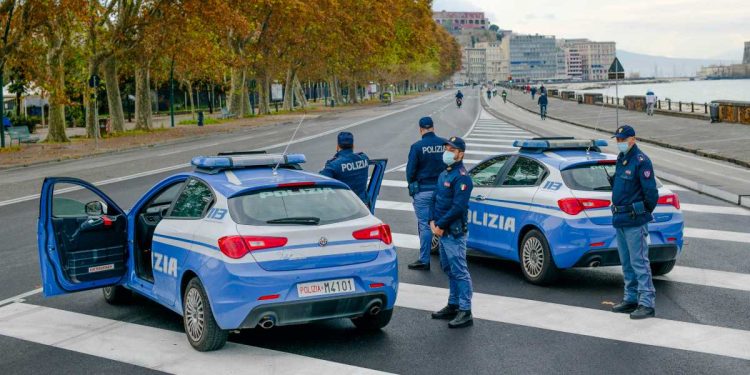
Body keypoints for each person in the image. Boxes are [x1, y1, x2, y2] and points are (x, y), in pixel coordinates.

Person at [610, 125, 659, 320]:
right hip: (620, 218)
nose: (619, 143)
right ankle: (630, 298)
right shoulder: (621, 159)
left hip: (634, 219)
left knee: (640, 262)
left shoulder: (641, 161)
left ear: (632, 139)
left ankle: (647, 303)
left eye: (622, 139)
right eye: (618, 140)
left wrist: (642, 212)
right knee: (626, 262)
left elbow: (651, 193)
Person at [429, 136, 474, 328]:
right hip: (441, 231)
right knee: (448, 268)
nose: (447, 152)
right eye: (446, 148)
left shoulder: (462, 177)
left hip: (454, 232)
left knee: (459, 271)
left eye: (451, 149)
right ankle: (453, 304)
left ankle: (465, 310)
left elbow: (458, 207)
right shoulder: (444, 174)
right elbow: (435, 198)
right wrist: (432, 220)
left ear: (460, 154)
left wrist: (440, 224)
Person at [406, 117, 447, 271]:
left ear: (420, 129)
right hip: (442, 191)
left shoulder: (417, 147)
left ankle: (424, 260)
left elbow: (410, 172)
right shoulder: (444, 144)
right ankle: (445, 261)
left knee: (424, 225)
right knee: (442, 224)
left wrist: (412, 185)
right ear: (433, 127)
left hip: (423, 191)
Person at [319, 131, 370, 203]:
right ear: (353, 145)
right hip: (363, 205)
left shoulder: (333, 165)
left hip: (345, 207)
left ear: (338, 146)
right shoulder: (364, 158)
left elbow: (322, 181)